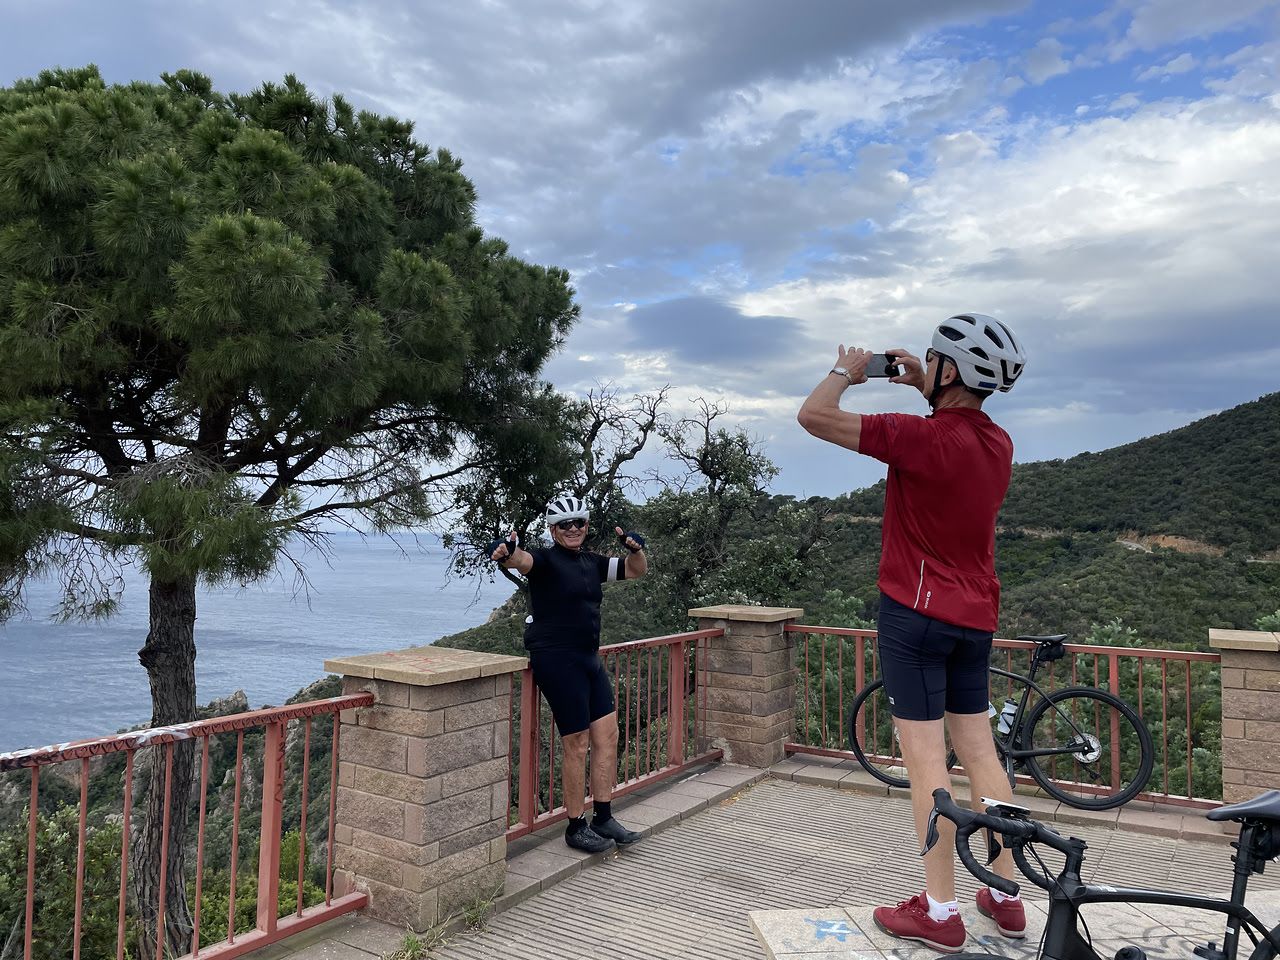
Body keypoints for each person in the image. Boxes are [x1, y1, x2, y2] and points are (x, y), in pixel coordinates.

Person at [796, 314, 1029, 953]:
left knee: (928, 762)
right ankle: (1007, 897)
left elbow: (812, 416)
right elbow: (958, 425)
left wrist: (849, 368)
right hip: (975, 617)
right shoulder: (999, 444)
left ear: (951, 370)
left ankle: (940, 909)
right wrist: (927, 382)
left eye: (935, 360)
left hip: (914, 616)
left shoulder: (917, 439)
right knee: (981, 753)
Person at [487, 494, 648, 853]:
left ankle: (603, 816)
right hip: (557, 660)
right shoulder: (544, 561)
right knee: (576, 743)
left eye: (579, 523)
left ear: (587, 526)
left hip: (588, 658)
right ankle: (576, 826)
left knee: (608, 735)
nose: (573, 529)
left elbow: (636, 570)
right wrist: (506, 551)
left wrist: (635, 549)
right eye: (565, 525)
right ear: (552, 529)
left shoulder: (592, 562)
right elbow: (520, 560)